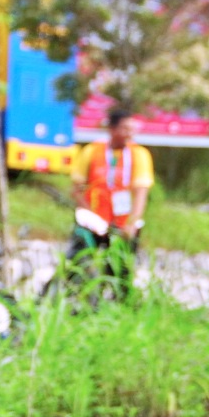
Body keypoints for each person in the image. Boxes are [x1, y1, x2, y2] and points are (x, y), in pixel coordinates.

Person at [71, 108, 153, 285]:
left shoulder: (139, 154)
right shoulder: (92, 151)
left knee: (120, 270)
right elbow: (77, 189)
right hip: (93, 221)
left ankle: (118, 298)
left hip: (123, 223)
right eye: (125, 128)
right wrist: (91, 216)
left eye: (132, 129)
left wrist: (132, 223)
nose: (129, 134)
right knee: (80, 265)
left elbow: (141, 191)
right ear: (112, 129)